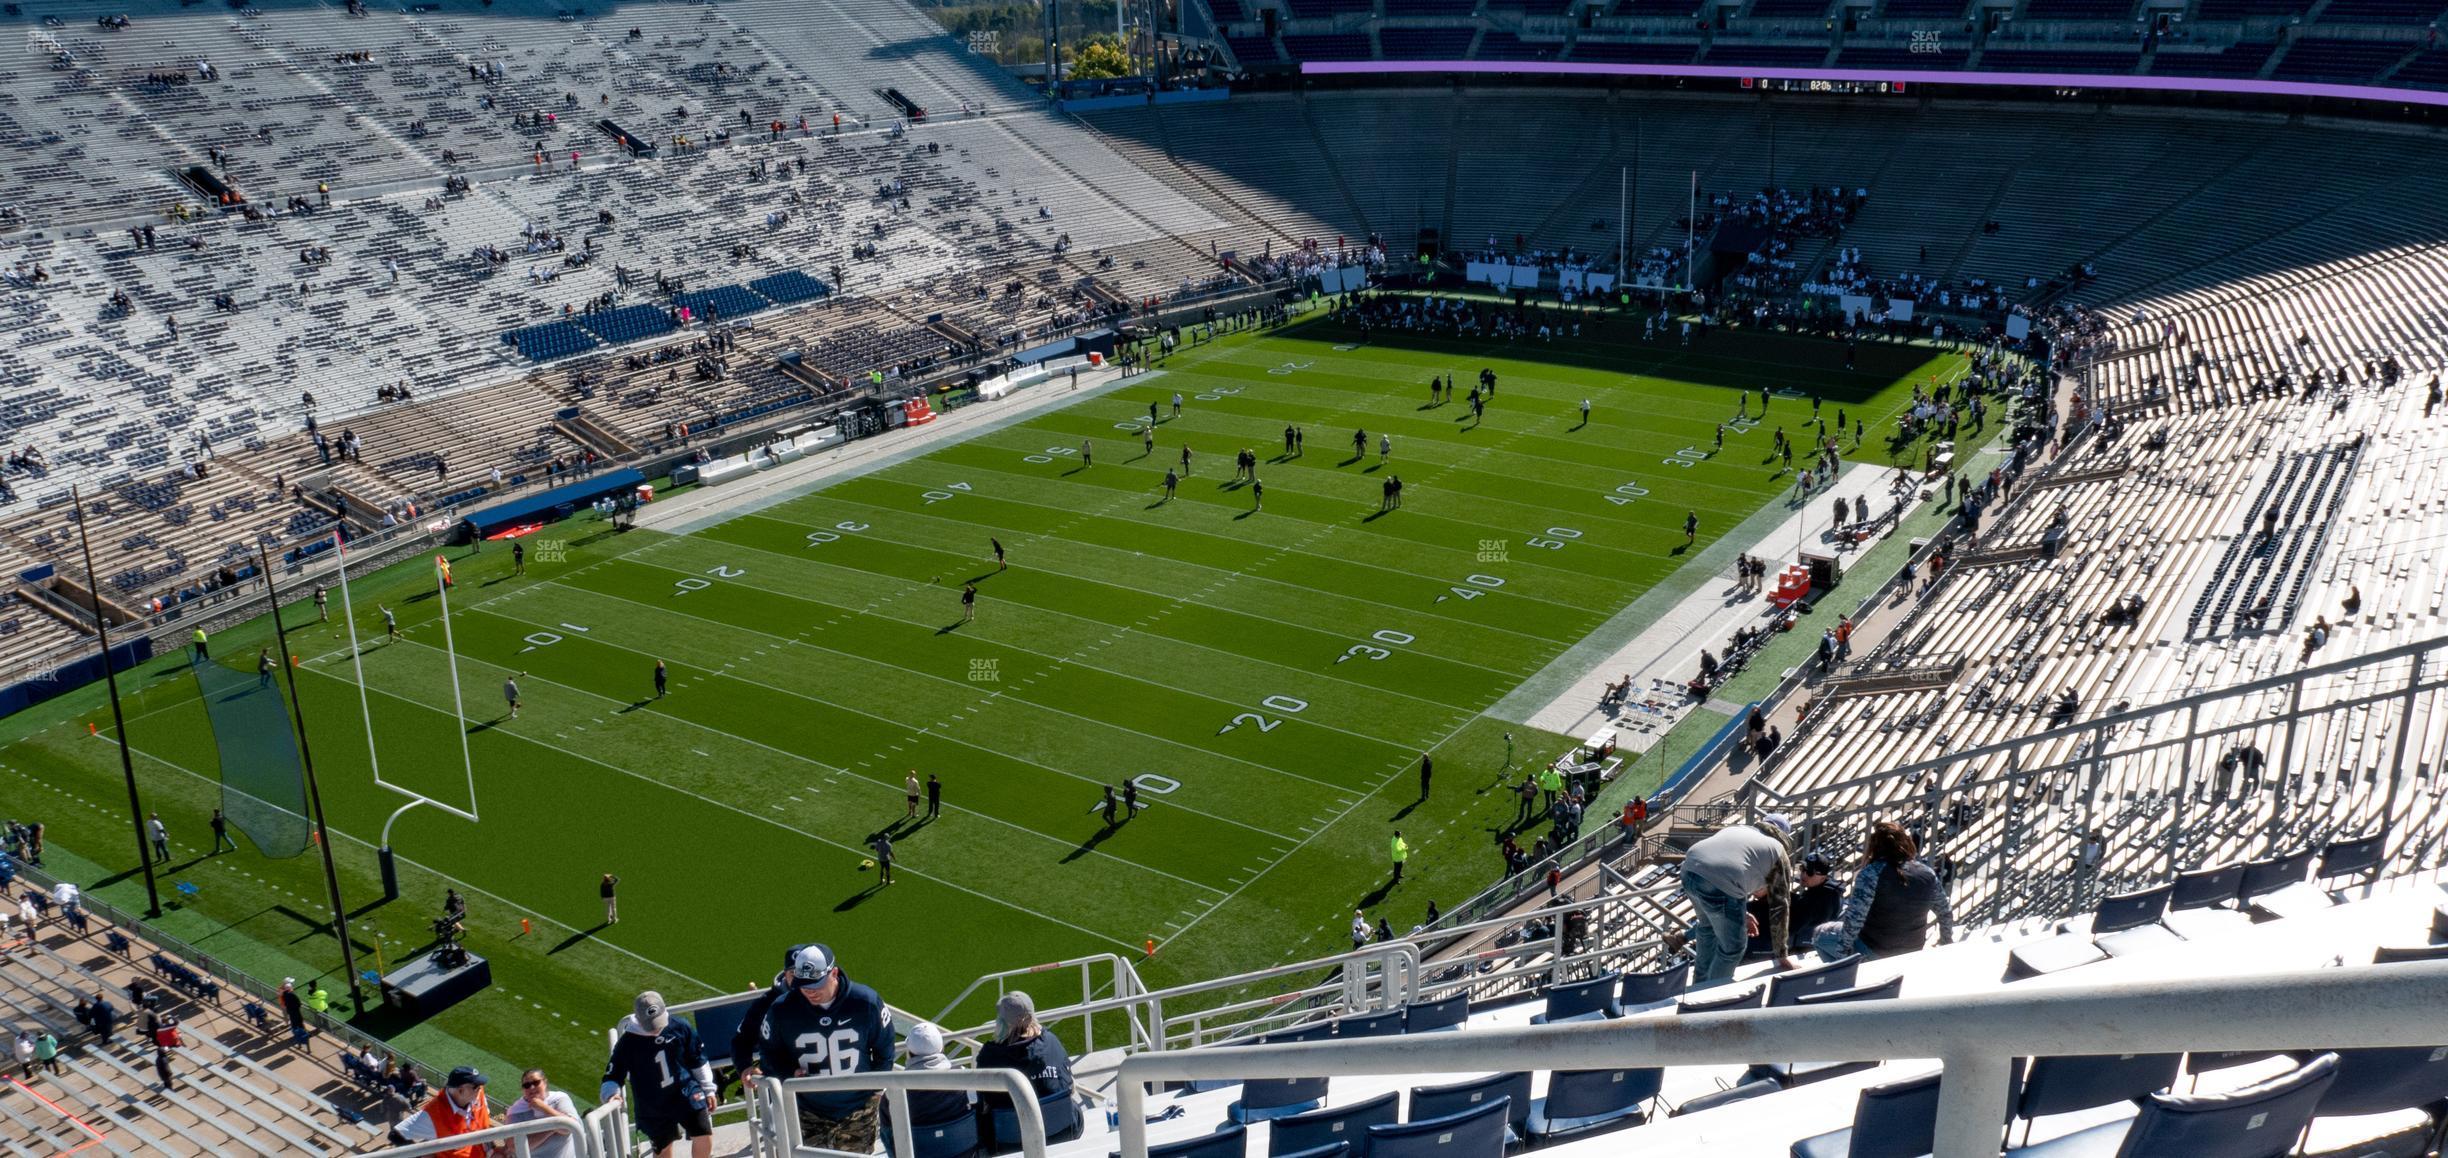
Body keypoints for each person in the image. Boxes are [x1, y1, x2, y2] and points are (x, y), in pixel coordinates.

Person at [741, 945, 892, 1153]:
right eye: (804, 985)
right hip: (807, 1109)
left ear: (834, 973)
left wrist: (874, 1090)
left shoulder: (866, 1002)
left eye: (816, 984)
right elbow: (769, 1053)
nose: (810, 991)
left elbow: (885, 1049)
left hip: (858, 1108)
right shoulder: (781, 1009)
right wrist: (788, 1073)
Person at [1666, 815, 1796, 985]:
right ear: (1784, 835)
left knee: (1707, 927)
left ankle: (1700, 983)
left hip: (1689, 870)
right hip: (1721, 882)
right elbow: (1780, 906)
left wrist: (1742, 913)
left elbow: (1729, 867)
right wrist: (1781, 954)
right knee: (1733, 947)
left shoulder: (1738, 828)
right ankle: (1710, 994)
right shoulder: (1778, 850)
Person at [1814, 821, 1955, 962]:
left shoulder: (1871, 873)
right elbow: (1945, 912)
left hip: (1873, 950)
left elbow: (1855, 920)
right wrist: (1945, 940)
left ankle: (1845, 976)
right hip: (1912, 950)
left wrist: (1842, 957)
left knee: (1820, 934)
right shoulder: (1928, 874)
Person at [603, 993, 716, 1158]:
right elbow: (613, 1075)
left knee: (704, 1133)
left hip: (685, 1091)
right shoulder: (628, 1043)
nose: (656, 1028)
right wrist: (611, 1093)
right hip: (653, 1103)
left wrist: (708, 1088)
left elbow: (697, 1059)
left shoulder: (680, 1026)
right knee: (664, 1149)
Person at [976, 991, 1072, 1147]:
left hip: (1012, 1141)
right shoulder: (1052, 1041)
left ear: (1001, 1022)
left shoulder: (990, 1055)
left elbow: (985, 1101)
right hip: (1061, 1131)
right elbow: (1068, 1083)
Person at [390, 1066, 493, 1155]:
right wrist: (420, 1155)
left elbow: (483, 1124)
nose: (480, 1088)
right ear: (461, 1090)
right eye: (476, 1086)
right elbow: (395, 1135)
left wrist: (492, 1148)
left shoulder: (478, 1094)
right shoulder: (432, 1114)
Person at [895, 1021, 972, 1128]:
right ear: (942, 1049)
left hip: (917, 1144)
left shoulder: (895, 1091)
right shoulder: (965, 1080)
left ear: (909, 1052)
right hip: (961, 1142)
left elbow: (888, 1133)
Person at [505, 1069, 582, 1158]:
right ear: (523, 1089)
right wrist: (551, 1128)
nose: (532, 1087)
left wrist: (543, 1108)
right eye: (527, 1085)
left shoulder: (559, 1098)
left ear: (545, 1082)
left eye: (536, 1082)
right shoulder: (516, 1111)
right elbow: (514, 1147)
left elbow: (569, 1127)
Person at [1787, 857, 1843, 952]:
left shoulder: (1817, 900)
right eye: (1802, 869)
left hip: (1804, 948)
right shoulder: (1830, 891)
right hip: (1815, 942)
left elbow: (1791, 928)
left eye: (1810, 872)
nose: (1803, 874)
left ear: (1823, 877)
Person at [279, 978, 306, 1046]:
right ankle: (302, 1035)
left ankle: (296, 1035)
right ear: (289, 988)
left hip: (290, 1011)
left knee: (294, 1023)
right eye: (291, 987)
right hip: (295, 1011)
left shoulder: (284, 994)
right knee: (299, 1022)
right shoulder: (292, 995)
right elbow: (298, 1003)